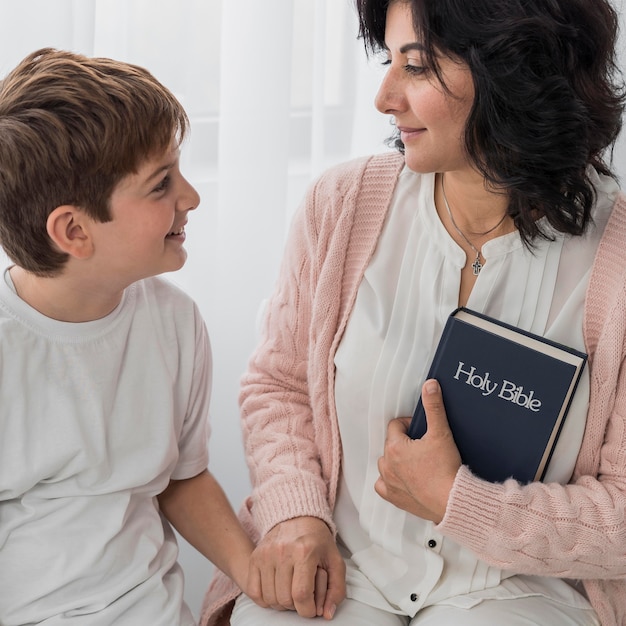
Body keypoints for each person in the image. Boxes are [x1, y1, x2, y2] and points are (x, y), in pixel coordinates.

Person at [202, 0, 626, 624]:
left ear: (513, 75)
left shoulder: (614, 264)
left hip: (519, 589)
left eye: (418, 66)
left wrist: (461, 502)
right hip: (342, 563)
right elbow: (279, 385)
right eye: (387, 61)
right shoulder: (341, 206)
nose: (384, 96)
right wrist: (296, 512)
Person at [0, 48, 255, 626]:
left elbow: (181, 481)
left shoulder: (174, 323)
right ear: (74, 231)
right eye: (161, 184)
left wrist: (252, 570)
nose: (190, 197)